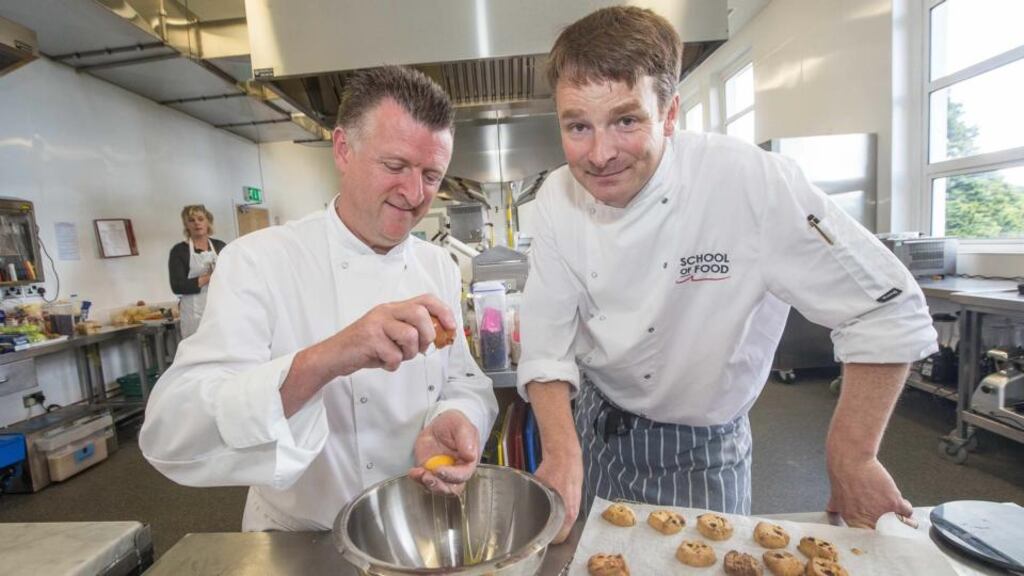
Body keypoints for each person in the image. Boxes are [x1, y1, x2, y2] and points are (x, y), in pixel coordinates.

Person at [518, 6, 937, 542]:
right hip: (599, 429)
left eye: (626, 120)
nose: (599, 155)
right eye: (578, 126)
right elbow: (548, 340)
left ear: (670, 114)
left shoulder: (749, 183)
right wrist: (560, 452)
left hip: (703, 450)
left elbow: (887, 307)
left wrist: (851, 455)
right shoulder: (557, 196)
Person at [141, 66, 498, 531]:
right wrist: (331, 356)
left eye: (431, 175)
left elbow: (463, 381)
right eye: (394, 166)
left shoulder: (439, 267)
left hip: (415, 527)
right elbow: (172, 430)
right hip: (298, 539)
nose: (414, 194)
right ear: (343, 149)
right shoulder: (260, 260)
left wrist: (456, 416)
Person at [168, 205, 226, 338]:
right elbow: (178, 286)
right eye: (191, 220)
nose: (197, 223)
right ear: (186, 225)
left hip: (220, 309)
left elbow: (232, 275)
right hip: (194, 316)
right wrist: (208, 277)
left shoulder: (220, 246)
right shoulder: (179, 251)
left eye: (200, 219)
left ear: (208, 222)